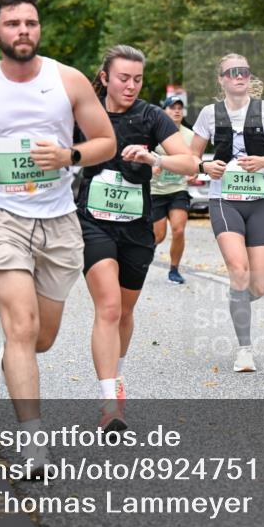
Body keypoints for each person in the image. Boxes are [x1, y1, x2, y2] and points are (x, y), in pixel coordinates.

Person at [0, 0, 116, 471]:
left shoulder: (69, 80)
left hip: (58, 221)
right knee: (22, 327)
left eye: (31, 23)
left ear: (39, 30)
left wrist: (69, 155)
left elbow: (106, 141)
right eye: (14, 24)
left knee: (43, 338)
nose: (23, 31)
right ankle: (33, 443)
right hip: (0, 217)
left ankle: (15, 358)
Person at [78, 46, 197, 432]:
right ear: (105, 78)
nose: (131, 86)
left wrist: (155, 159)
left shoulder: (151, 116)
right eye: (123, 78)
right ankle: (109, 402)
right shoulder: (86, 111)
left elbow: (189, 162)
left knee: (125, 312)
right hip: (92, 222)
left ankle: (118, 376)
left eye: (138, 79)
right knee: (109, 307)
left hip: (137, 227)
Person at [189, 54, 264, 373]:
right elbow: (191, 159)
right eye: (231, 72)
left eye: (244, 72)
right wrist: (205, 167)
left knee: (258, 286)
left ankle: (238, 299)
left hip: (263, 199)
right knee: (238, 269)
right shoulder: (209, 114)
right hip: (226, 200)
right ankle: (245, 349)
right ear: (221, 80)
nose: (239, 76)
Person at [151, 95, 195, 285]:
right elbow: (144, 153)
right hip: (155, 190)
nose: (176, 110)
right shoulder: (154, 132)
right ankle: (141, 256)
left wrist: (194, 172)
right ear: (164, 111)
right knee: (158, 235)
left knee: (178, 230)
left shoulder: (189, 135)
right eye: (172, 107)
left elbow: (194, 159)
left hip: (178, 188)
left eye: (179, 107)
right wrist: (151, 166)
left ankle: (174, 270)